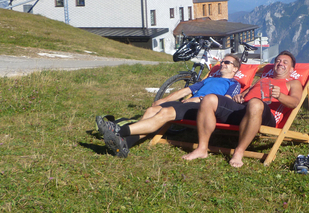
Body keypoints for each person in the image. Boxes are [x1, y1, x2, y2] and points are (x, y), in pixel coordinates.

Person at [97, 54, 241, 158]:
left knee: (164, 114)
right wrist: (163, 100)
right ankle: (125, 144)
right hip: (188, 104)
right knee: (152, 110)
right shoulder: (209, 79)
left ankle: (118, 131)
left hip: (202, 108)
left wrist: (199, 100)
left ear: (235, 69)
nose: (222, 64)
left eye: (227, 62)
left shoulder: (234, 84)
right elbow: (185, 91)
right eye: (222, 61)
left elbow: (225, 101)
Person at [184, 51, 302, 168]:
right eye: (278, 61)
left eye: (285, 62)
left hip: (266, 116)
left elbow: (295, 102)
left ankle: (239, 151)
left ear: (291, 69)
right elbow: (246, 93)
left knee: (255, 103)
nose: (280, 63)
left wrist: (279, 95)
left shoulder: (293, 83)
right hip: (244, 109)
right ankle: (202, 149)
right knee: (209, 99)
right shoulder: (263, 80)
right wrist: (240, 96)